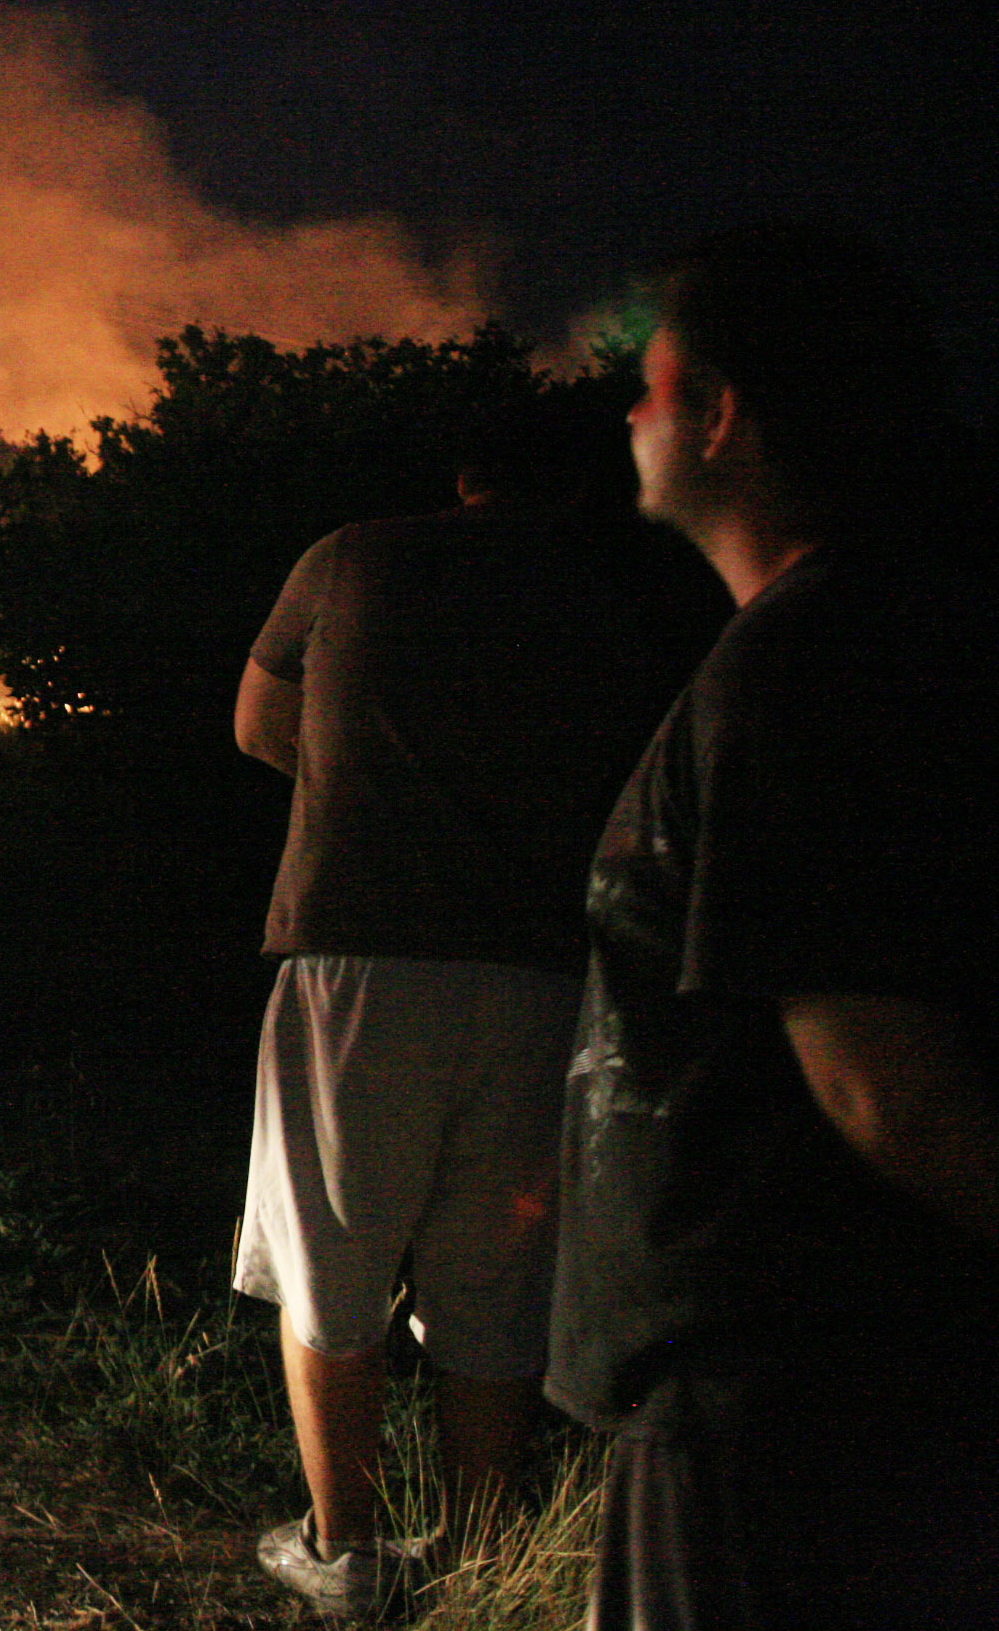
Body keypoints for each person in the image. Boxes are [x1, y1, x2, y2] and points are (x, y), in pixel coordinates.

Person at [550, 228, 999, 1629]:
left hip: (786, 1419)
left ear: (724, 412)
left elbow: (886, 1085)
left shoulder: (807, 663)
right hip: (794, 1400)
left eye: (652, 381)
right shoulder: (863, 633)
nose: (628, 411)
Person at [234, 394, 722, 1618]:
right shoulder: (634, 588)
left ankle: (346, 1555)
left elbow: (256, 722)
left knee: (330, 1258)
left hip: (357, 959)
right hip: (544, 971)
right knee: (495, 1277)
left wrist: (363, 791)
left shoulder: (350, 556)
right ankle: (484, 1562)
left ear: (465, 474)